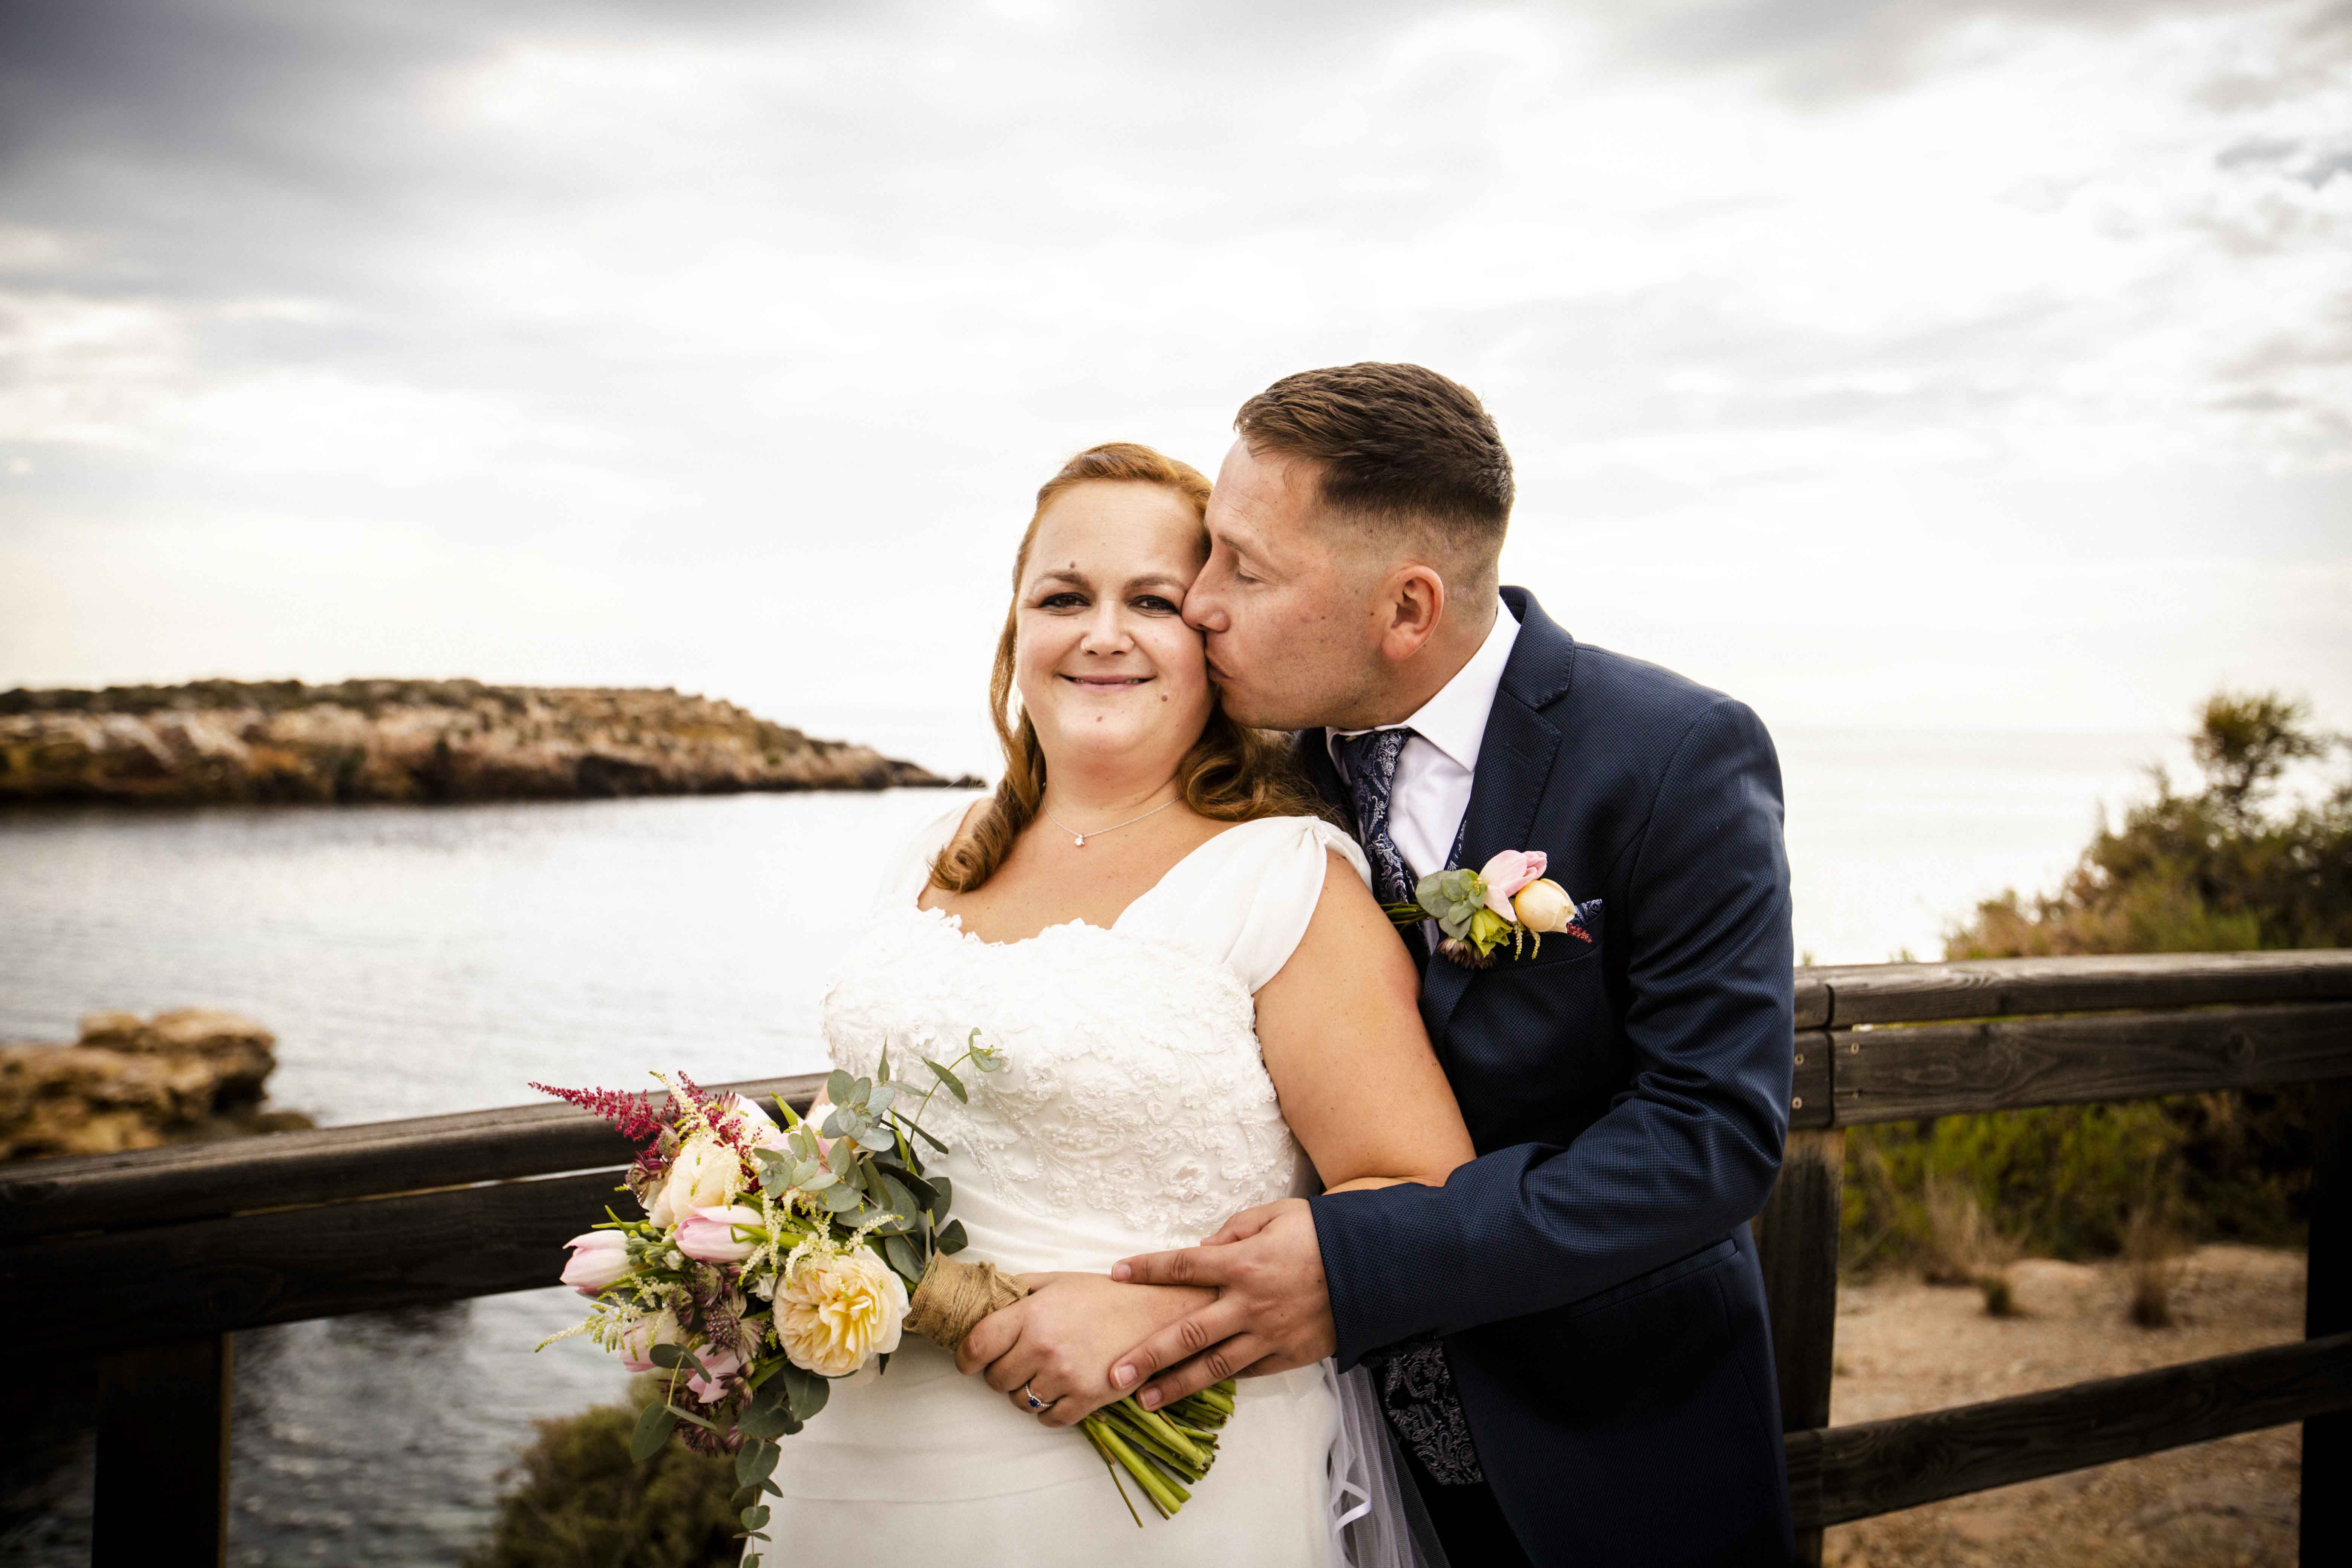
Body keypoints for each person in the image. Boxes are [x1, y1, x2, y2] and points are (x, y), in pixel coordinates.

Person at [1104, 363, 1800, 1566]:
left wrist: (1363, 1264)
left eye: (1246, 570)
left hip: (1612, 1449)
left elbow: (1710, 1136)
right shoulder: (1244, 785)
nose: (1199, 602)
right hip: (1327, 1459)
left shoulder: (1675, 755)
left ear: (1408, 610)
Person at [760, 440, 1471, 1565]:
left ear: (1213, 637)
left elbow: (1422, 1198)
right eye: (1064, 598)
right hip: (859, 1466)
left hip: (1144, 1486)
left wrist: (1164, 1322)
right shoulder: (932, 851)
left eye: (1152, 601)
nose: (1103, 633)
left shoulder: (1284, 878)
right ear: (1016, 634)